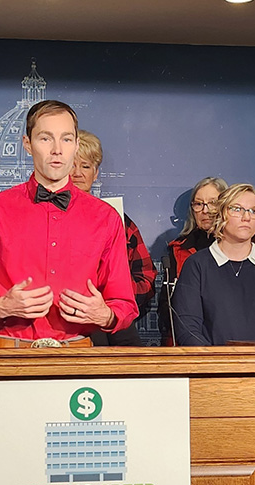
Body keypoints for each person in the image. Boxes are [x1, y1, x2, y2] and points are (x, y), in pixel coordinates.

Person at [0, 100, 138, 346]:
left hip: (78, 360)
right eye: (46, 138)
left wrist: (106, 315)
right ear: (28, 144)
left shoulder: (106, 217)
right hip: (8, 358)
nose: (57, 149)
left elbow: (124, 305)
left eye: (66, 139)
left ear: (76, 145)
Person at [171, 183, 255, 346]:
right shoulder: (197, 265)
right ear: (220, 214)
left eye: (253, 211)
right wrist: (219, 365)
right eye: (237, 209)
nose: (246, 217)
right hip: (213, 368)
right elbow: (188, 331)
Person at [70, 130, 155, 346]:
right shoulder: (45, 218)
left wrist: (116, 301)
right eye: (72, 164)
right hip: (69, 323)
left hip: (117, 321)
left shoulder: (117, 218)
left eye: (86, 166)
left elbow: (145, 276)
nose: (77, 173)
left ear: (96, 173)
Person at [161, 176, 227, 345]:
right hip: (186, 345)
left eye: (213, 202)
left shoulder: (239, 248)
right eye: (199, 204)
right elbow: (166, 307)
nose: (205, 210)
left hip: (229, 343)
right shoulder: (177, 250)